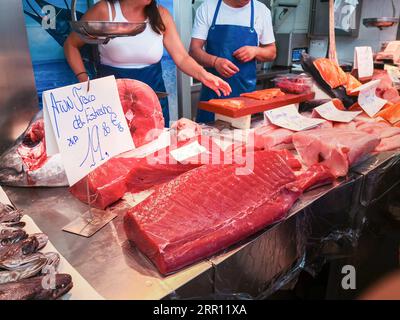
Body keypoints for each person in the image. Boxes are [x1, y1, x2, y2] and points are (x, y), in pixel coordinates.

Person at [64, 0, 231, 126]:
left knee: (155, 154)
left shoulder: (161, 15)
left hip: (154, 96)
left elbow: (182, 57)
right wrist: (84, 80)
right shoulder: (104, 10)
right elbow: (71, 45)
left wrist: (205, 75)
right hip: (112, 98)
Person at [190, 0, 277, 123]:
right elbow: (194, 50)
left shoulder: (261, 11)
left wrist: (255, 51)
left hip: (246, 97)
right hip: (213, 96)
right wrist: (215, 61)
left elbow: (272, 51)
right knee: (207, 138)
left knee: (244, 138)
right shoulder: (208, 8)